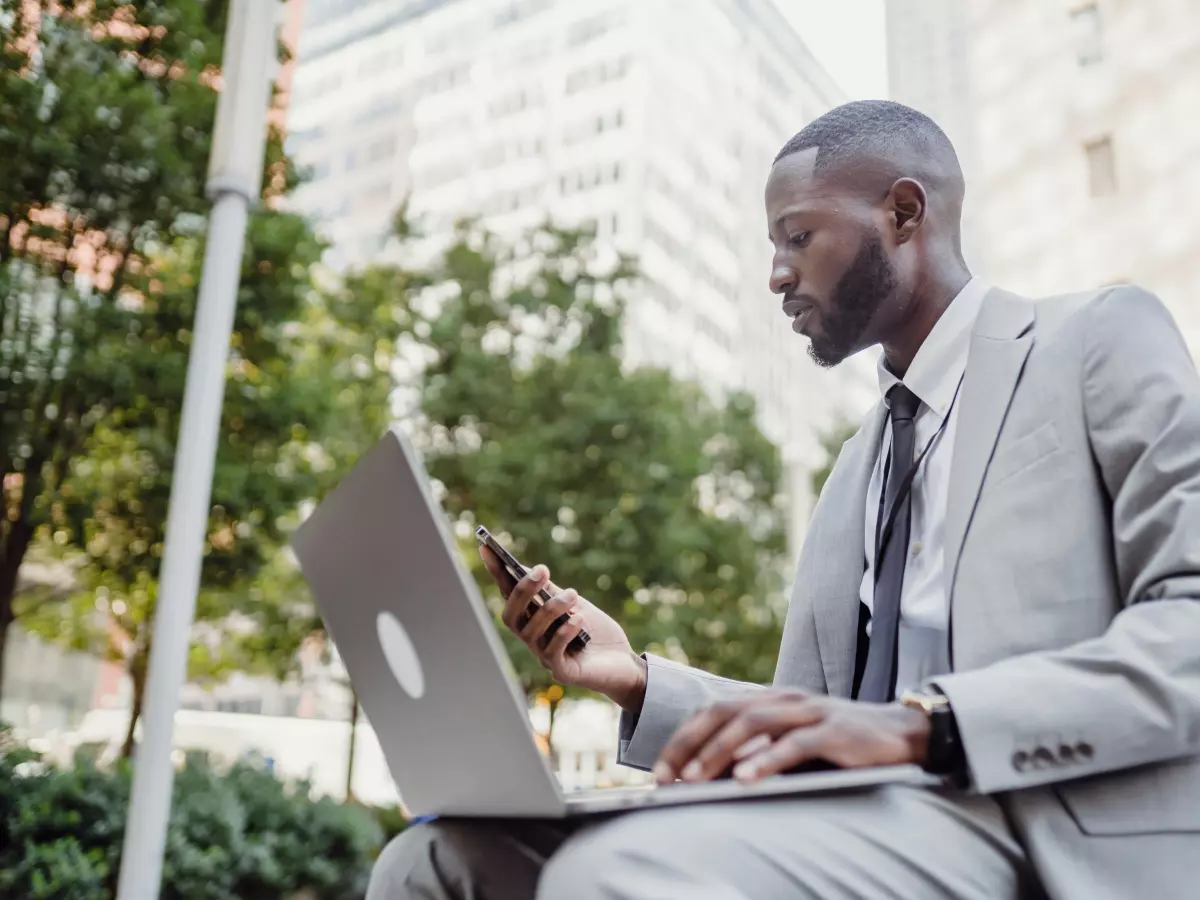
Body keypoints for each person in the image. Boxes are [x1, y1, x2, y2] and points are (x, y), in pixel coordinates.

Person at [367, 100, 1200, 900]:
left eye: (798, 237)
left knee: (619, 875)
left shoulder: (1096, 342)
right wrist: (637, 683)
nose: (776, 275)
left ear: (904, 215)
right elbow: (819, 721)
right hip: (865, 823)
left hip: (1035, 829)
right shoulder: (856, 468)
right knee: (435, 861)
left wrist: (929, 725)